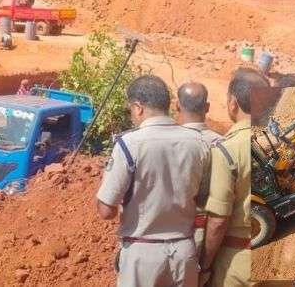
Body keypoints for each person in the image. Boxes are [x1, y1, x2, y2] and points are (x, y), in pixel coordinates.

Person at [96, 75, 210, 287]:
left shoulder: (129, 144)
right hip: (184, 252)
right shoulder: (198, 143)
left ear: (138, 107)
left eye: (131, 109)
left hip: (142, 255)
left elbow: (106, 211)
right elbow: (203, 199)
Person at [201, 67, 269, 287]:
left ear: (233, 103)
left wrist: (204, 265)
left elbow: (218, 221)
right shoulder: (275, 141)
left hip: (237, 262)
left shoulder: (226, 151)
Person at [176, 81, 223, 273]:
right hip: (206, 236)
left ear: (177, 106)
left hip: (168, 235)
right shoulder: (222, 144)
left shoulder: (166, 142)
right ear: (208, 107)